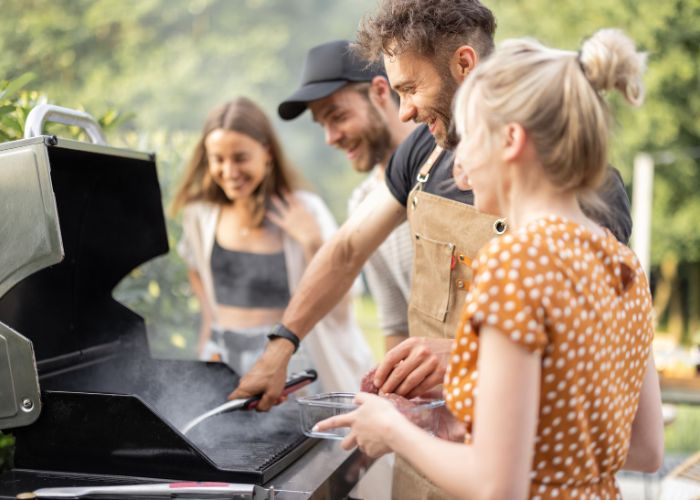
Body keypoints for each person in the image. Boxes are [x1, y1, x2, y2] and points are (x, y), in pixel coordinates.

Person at [317, 28, 665, 499]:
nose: (458, 168)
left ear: (511, 142)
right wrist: (454, 425)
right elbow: (645, 450)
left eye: (469, 141)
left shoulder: (515, 264)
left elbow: (496, 485)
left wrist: (393, 431)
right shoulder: (622, 265)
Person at [170, 97, 372, 391]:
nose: (229, 171)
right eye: (218, 159)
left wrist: (313, 241)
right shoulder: (200, 215)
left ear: (266, 152)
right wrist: (207, 325)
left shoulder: (305, 209)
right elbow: (195, 268)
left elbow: (344, 297)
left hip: (287, 359)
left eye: (240, 158)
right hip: (221, 356)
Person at [278, 39, 416, 353]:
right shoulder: (362, 201)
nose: (330, 138)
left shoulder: (450, 168)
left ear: (381, 92)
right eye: (322, 124)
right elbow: (396, 324)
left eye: (338, 116)